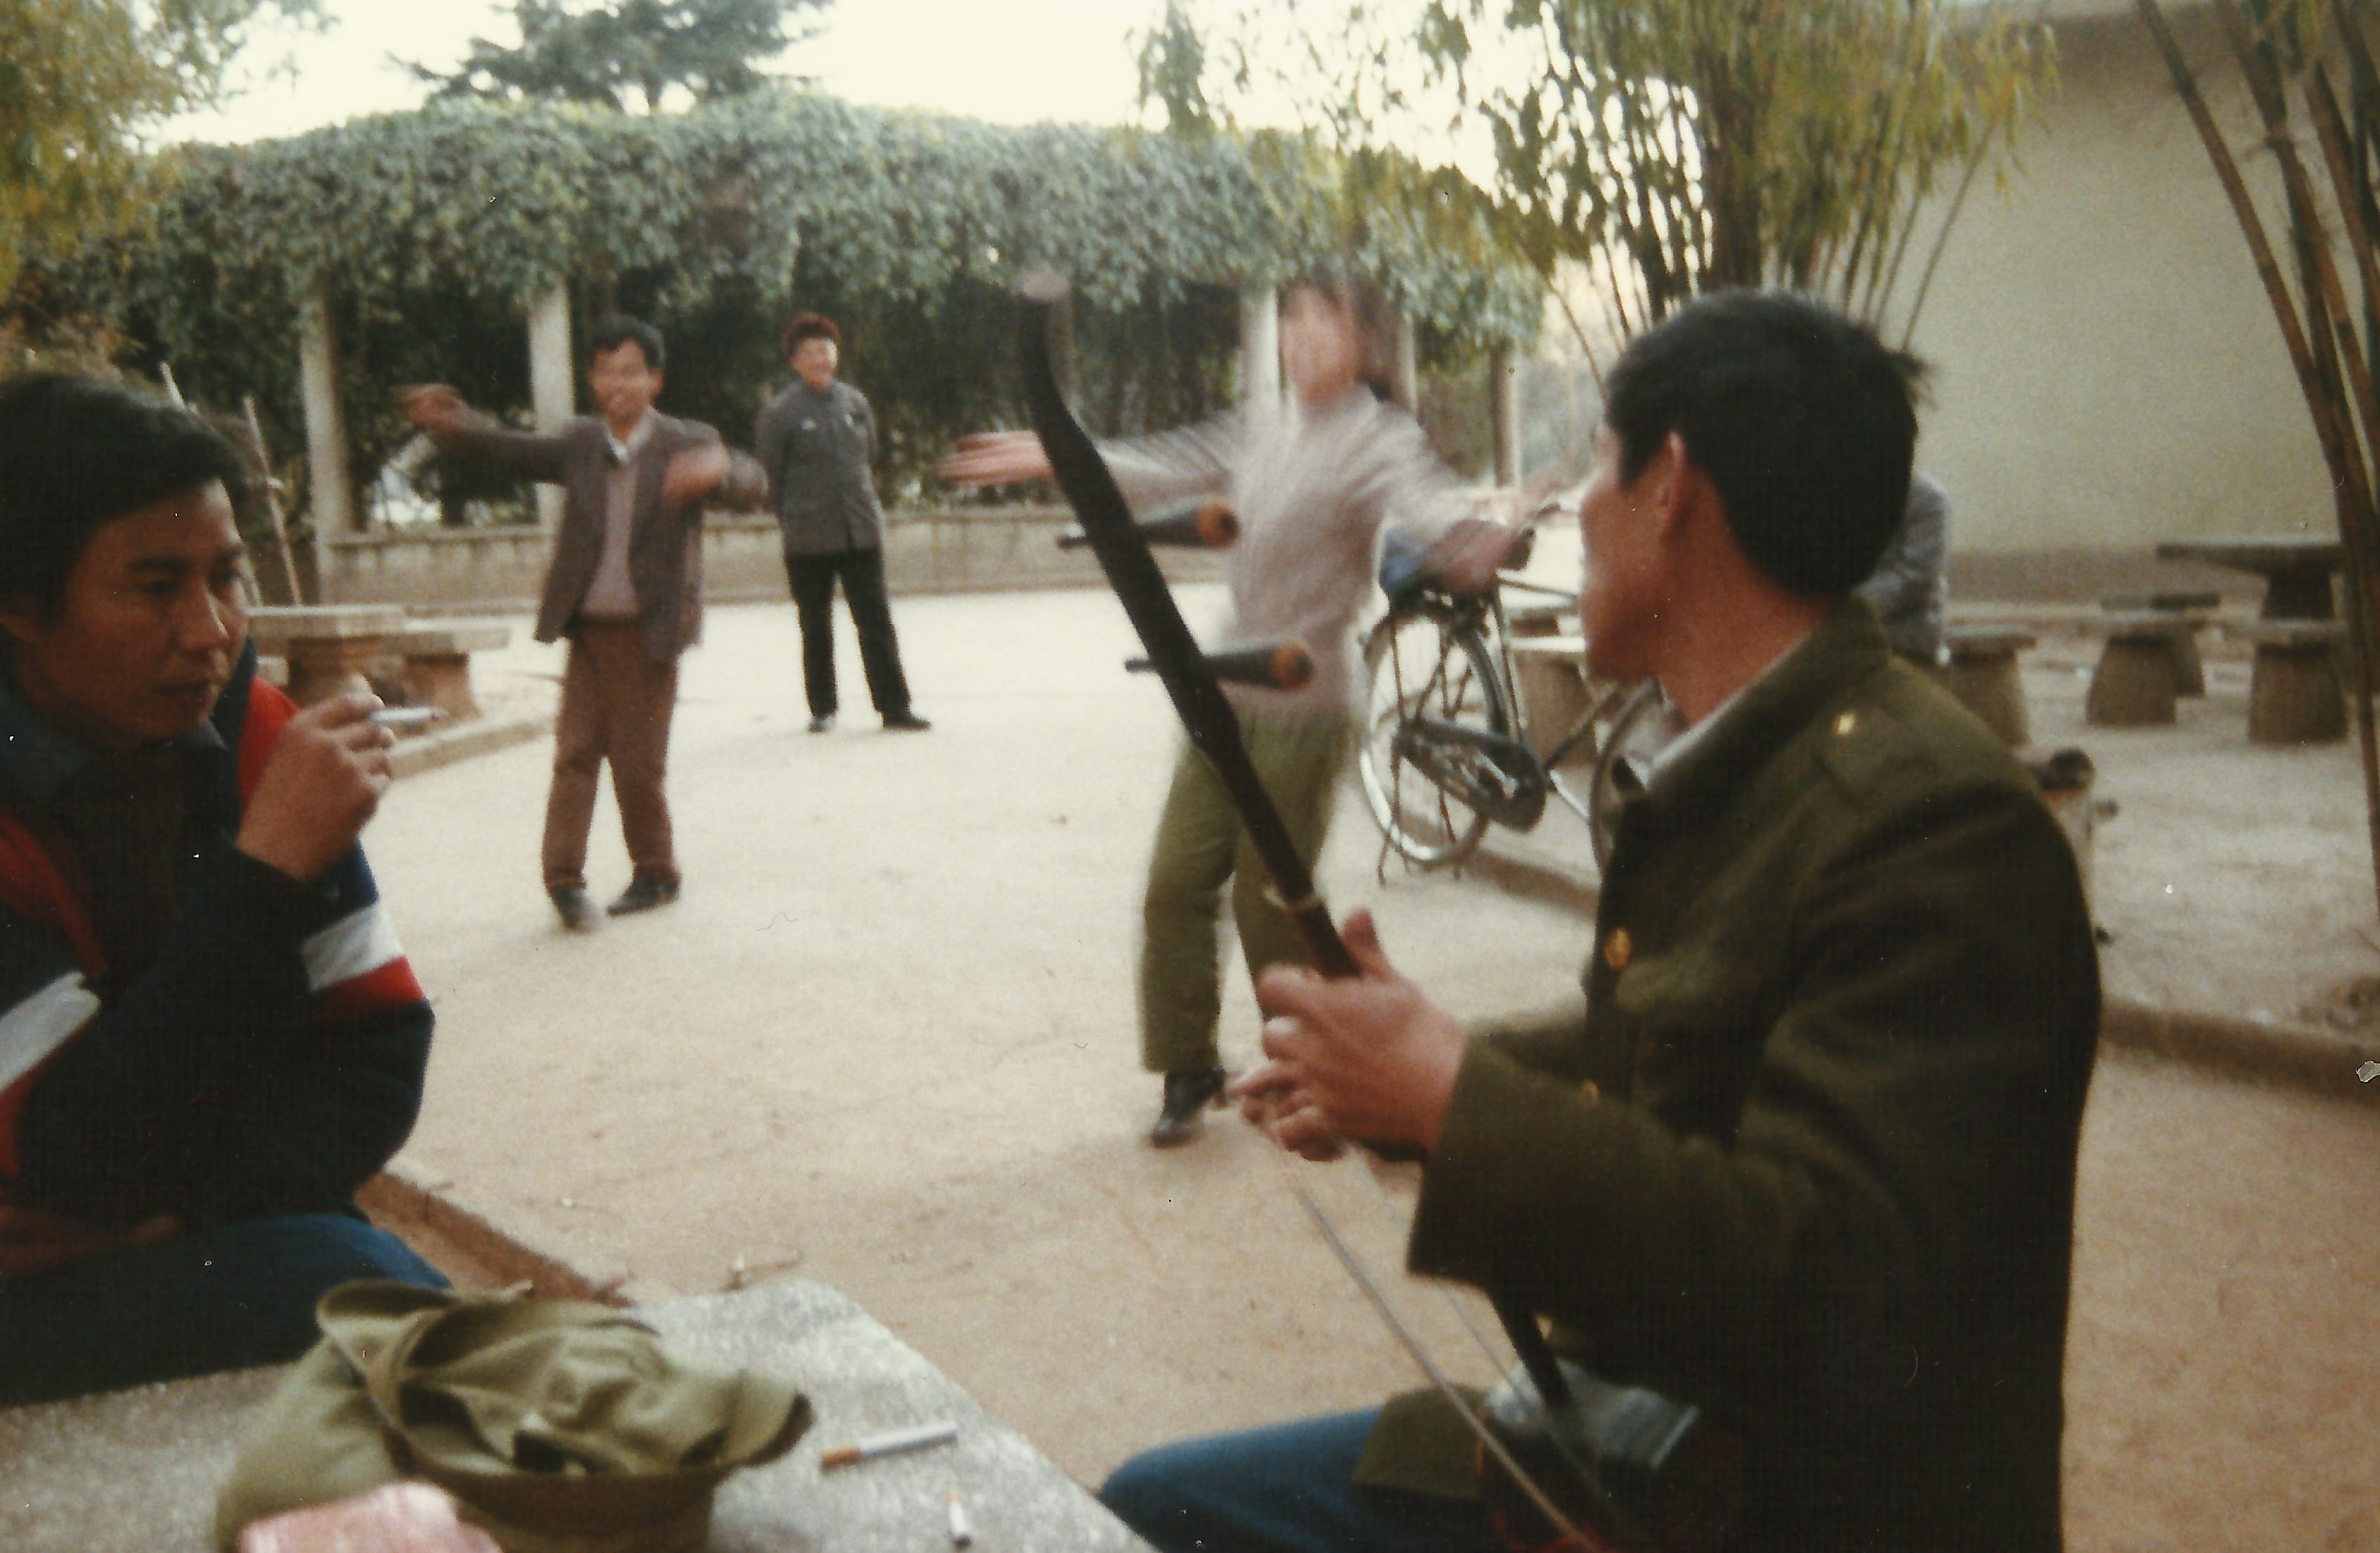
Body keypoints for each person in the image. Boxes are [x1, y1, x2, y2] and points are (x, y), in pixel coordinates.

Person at [1099, 293, 2103, 1552]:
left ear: (1672, 486)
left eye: (1601, 476)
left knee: (1164, 1516)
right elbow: (1667, 1059)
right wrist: (1403, 1070)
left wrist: (1452, 1094)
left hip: (1769, 1500)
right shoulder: (1740, 754)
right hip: (1655, 1445)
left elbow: (1840, 1285)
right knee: (1161, 1499)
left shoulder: (1934, 826)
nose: (1577, 519)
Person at [938, 272, 1519, 1146]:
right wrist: (1065, 452)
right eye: (1292, 316)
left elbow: (1434, 517)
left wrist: (1477, 542)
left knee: (1268, 899)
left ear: (1366, 341)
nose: (1301, 333)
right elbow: (1163, 468)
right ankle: (1189, 1067)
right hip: (1219, 689)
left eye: (1325, 317)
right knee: (1175, 882)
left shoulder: (1377, 436)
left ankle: (1321, 1069)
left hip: (1303, 699)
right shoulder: (1265, 423)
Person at [0, 373, 443, 1406]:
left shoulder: (250, 735)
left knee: (365, 1284)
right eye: (157, 587)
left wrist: (177, 1217)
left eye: (228, 576)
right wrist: (263, 878)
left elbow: (375, 1058)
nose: (211, 633)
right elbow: (71, 1156)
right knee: (363, 1292)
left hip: (167, 1221)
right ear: (18, 601)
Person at [402, 315, 766, 929]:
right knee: (574, 753)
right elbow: (510, 450)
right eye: (604, 371)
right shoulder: (580, 443)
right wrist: (451, 427)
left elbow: (752, 483)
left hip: (650, 631)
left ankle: (656, 872)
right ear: (593, 379)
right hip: (590, 631)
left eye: (630, 371)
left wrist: (722, 471)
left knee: (637, 760)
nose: (616, 383)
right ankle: (564, 882)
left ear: (654, 378)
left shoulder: (685, 441)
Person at [755, 314, 930, 735]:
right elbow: (771, 478)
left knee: (876, 619)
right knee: (815, 623)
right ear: (795, 362)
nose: (820, 358)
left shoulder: (854, 402)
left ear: (836, 355)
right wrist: (794, 517)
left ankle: (895, 707)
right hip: (808, 534)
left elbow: (866, 456)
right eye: (810, 352)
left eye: (826, 350)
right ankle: (823, 708)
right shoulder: (781, 413)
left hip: (860, 528)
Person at [1857, 469, 1952, 664]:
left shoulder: (1927, 498)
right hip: (1843, 626)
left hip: (1904, 632)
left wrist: (1845, 609)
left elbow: (1915, 580)